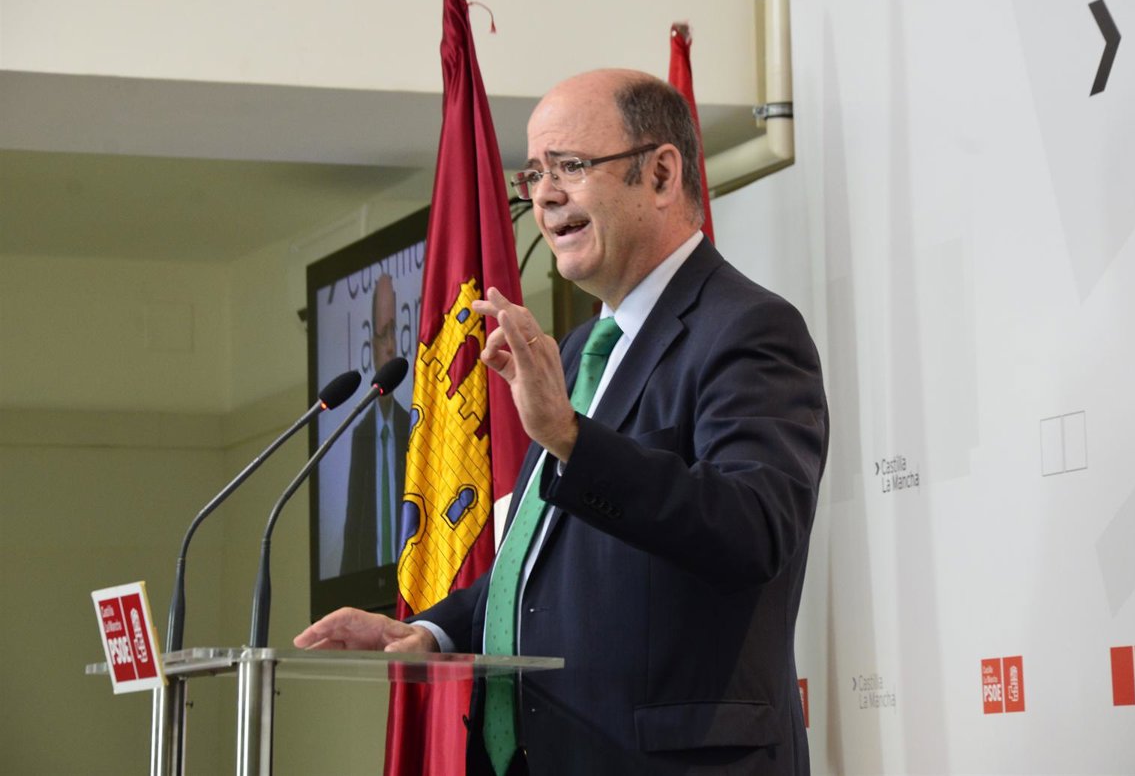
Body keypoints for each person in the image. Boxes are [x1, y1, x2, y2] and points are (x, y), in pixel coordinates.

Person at [298, 68, 829, 775]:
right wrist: (429, 630)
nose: (544, 196)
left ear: (661, 174)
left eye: (571, 166)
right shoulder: (579, 351)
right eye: (534, 174)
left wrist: (572, 438)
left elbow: (752, 530)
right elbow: (542, 562)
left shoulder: (749, 329)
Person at [341, 273, 411, 574]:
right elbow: (353, 525)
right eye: (384, 335)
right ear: (372, 347)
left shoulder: (412, 427)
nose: (391, 347)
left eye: (395, 332)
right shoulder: (361, 434)